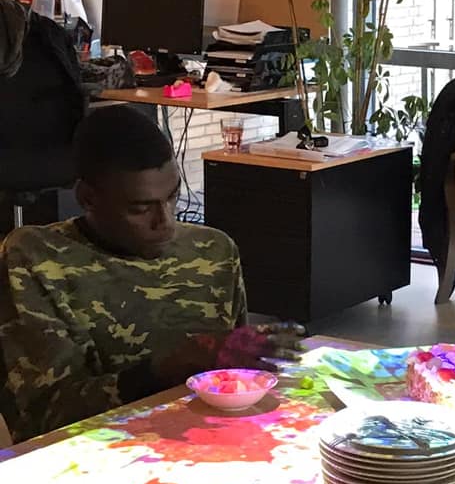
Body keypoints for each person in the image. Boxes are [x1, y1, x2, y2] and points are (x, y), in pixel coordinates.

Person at [0, 105, 304, 443]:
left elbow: (232, 382)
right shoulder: (37, 260)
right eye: (140, 208)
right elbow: (44, 417)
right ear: (88, 198)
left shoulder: (213, 251)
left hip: (210, 442)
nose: (165, 222)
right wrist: (169, 367)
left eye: (172, 197)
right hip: (94, 455)